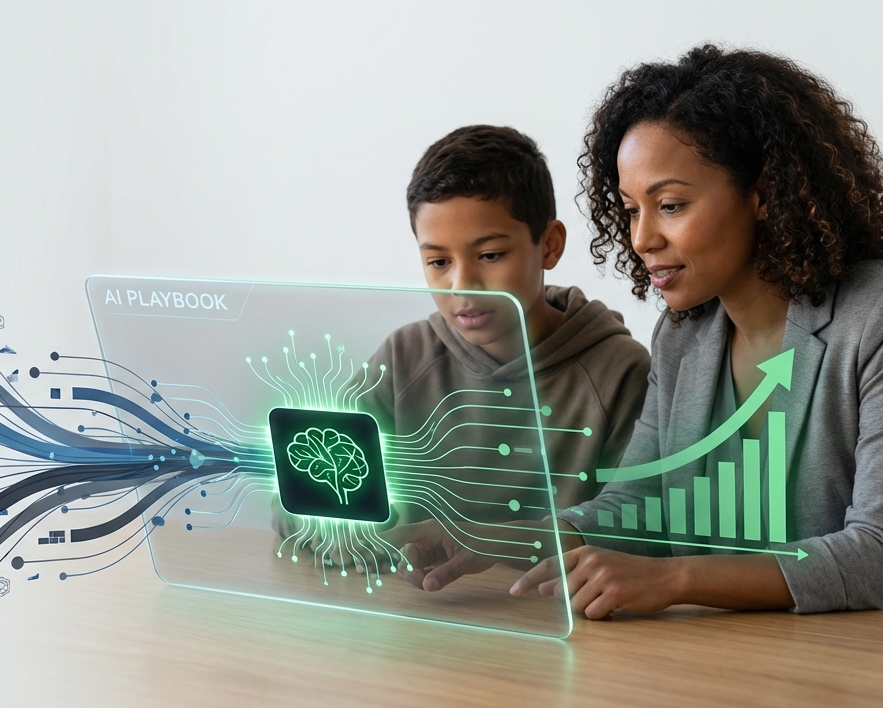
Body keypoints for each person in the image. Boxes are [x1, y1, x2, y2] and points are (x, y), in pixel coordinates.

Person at [398, 46, 883, 627]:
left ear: (762, 192)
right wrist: (501, 538)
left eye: (669, 205)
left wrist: (674, 579)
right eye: (631, 209)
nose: (642, 239)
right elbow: (634, 506)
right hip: (777, 668)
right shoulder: (685, 333)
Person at [273, 125, 650, 544]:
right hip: (415, 602)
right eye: (438, 261)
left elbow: (636, 528)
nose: (462, 284)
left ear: (549, 245)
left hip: (550, 607)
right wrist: (349, 528)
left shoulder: (620, 372)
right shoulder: (404, 358)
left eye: (490, 255)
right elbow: (293, 499)